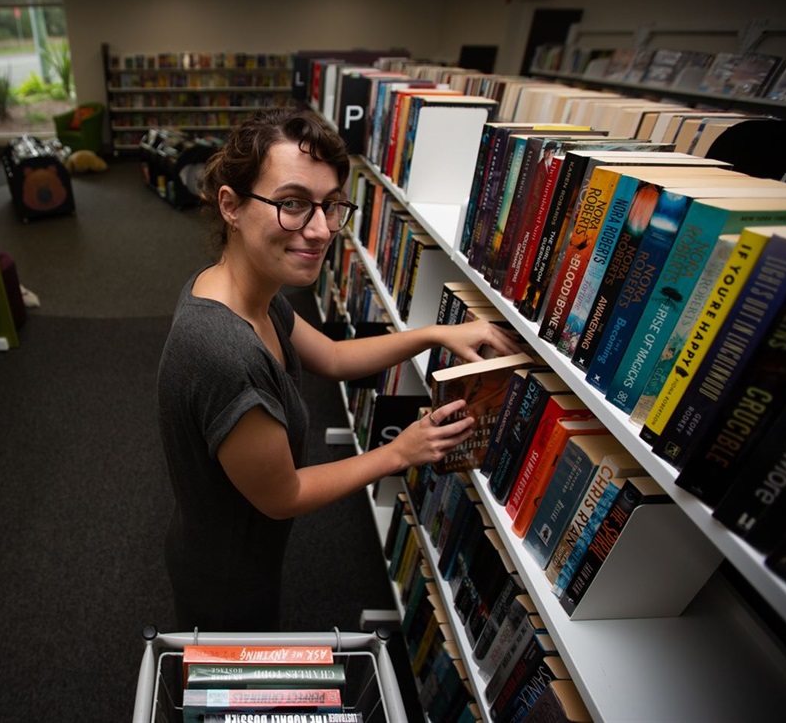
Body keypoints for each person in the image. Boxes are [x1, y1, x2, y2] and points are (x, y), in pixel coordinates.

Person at [156, 106, 521, 631]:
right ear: (231, 206)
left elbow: (331, 356)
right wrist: (399, 452)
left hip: (224, 540)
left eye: (331, 207)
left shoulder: (239, 287)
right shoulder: (224, 351)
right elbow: (284, 496)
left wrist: (436, 333)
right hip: (226, 572)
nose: (322, 229)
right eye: (293, 205)